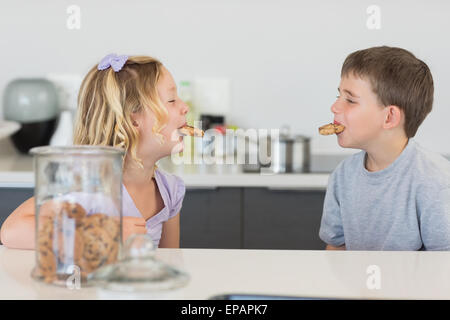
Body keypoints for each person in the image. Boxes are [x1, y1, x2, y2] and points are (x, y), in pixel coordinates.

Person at [0, 54, 188, 249]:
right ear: (133, 120)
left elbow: (169, 262)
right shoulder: (89, 187)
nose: (185, 107)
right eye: (172, 100)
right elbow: (11, 231)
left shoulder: (169, 191)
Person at [319, 46, 450, 251]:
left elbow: (444, 266)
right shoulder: (342, 176)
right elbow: (336, 249)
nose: (334, 107)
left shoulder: (435, 181)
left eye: (350, 100)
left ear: (389, 117)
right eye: (338, 96)